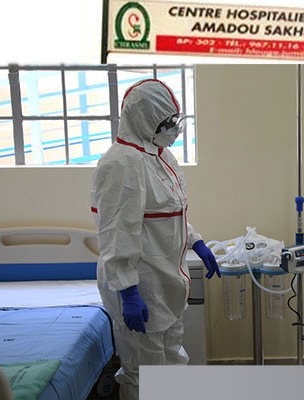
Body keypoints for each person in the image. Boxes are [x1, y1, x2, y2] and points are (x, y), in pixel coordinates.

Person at [90, 78, 221, 400]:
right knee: (144, 372)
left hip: (167, 283)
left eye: (175, 119)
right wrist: (128, 291)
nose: (173, 128)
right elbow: (116, 231)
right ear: (144, 119)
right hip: (142, 285)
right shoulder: (121, 163)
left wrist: (196, 241)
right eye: (166, 122)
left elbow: (169, 214)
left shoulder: (161, 157)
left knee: (172, 359)